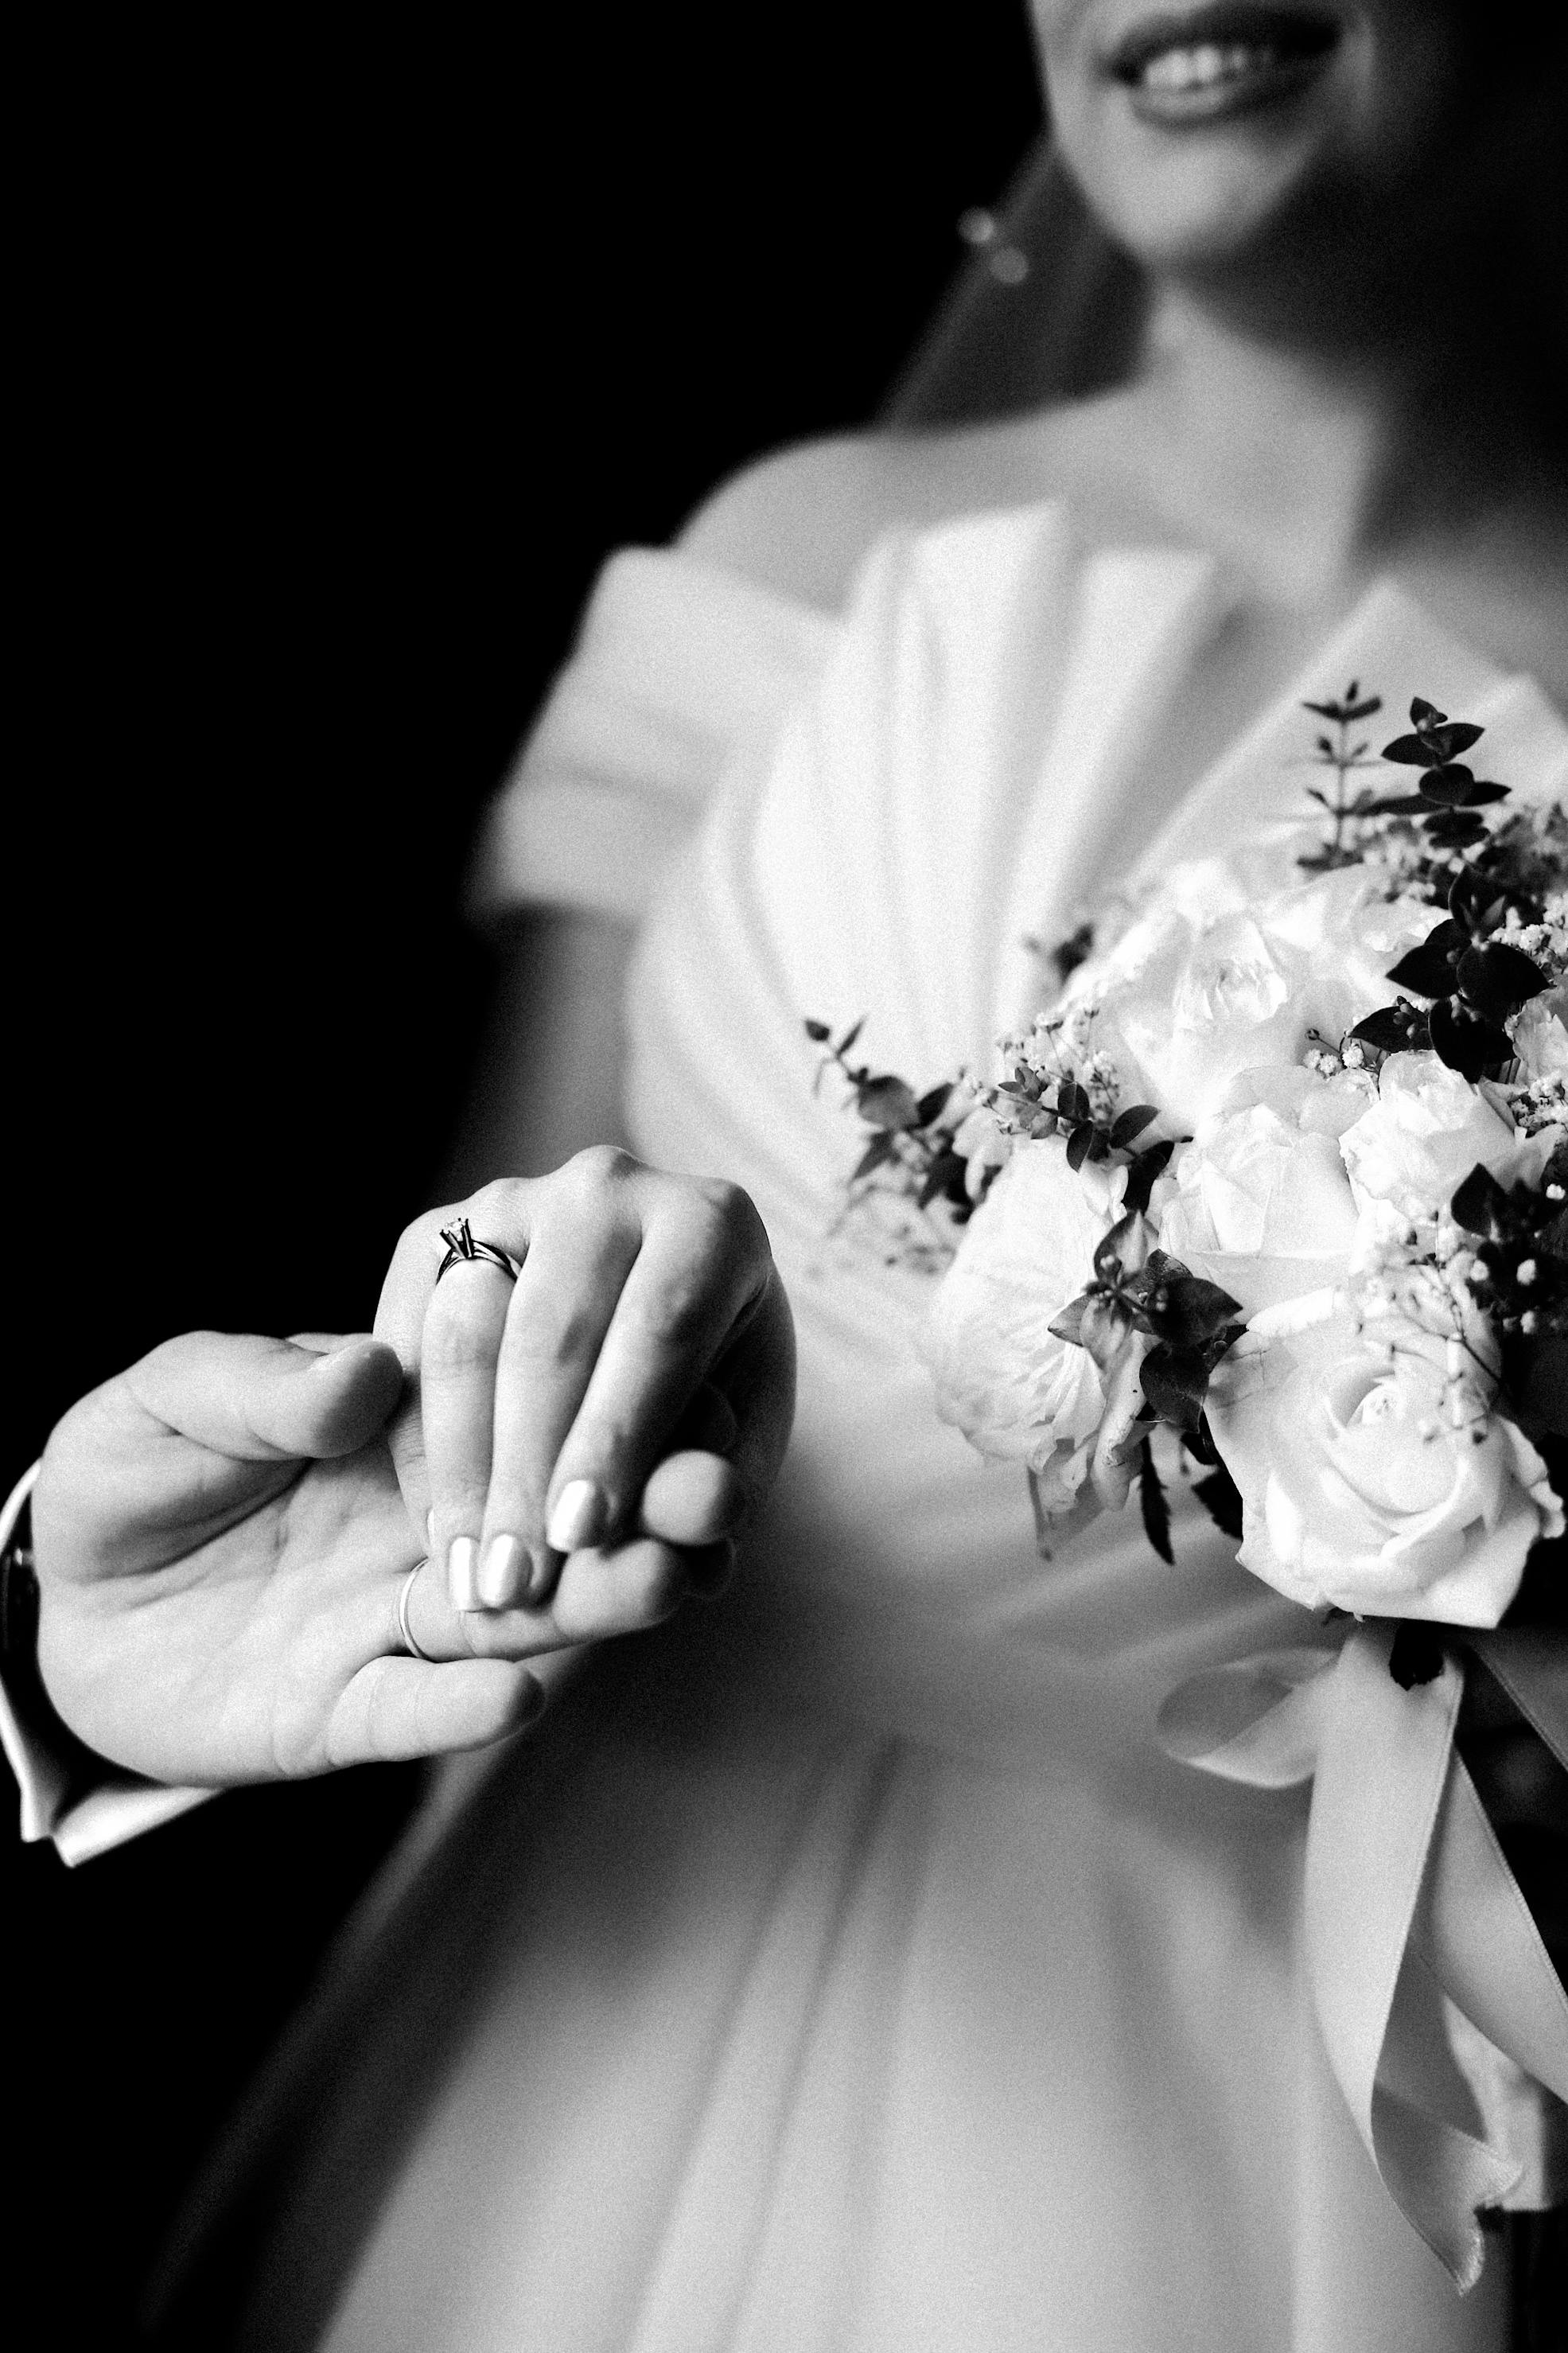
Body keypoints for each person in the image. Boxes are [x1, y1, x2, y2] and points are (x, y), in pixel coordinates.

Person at [8, 2, 1568, 2346]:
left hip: (1265, 2085)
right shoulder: (795, 553)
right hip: (612, 1961)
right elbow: (452, 1374)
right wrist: (124, 1661)